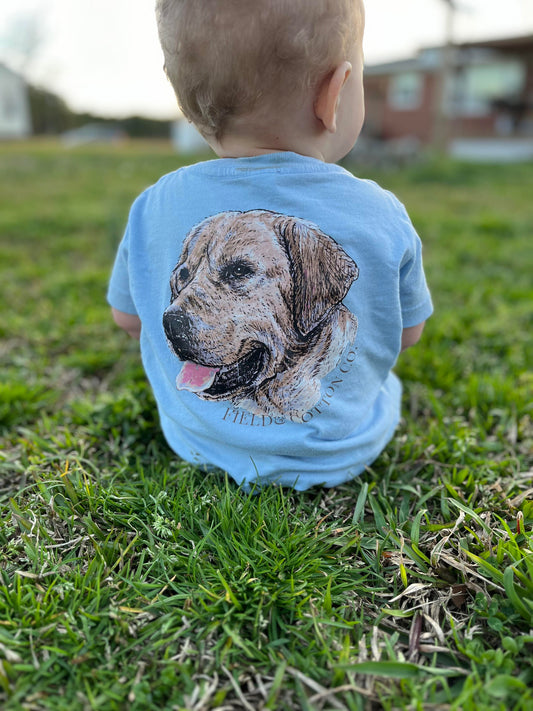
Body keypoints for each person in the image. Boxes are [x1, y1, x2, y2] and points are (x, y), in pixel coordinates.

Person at [108, 0, 433, 491]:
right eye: (185, 277)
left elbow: (128, 321)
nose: (177, 309)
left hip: (196, 445)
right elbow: (407, 335)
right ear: (336, 93)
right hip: (341, 459)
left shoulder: (153, 204)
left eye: (238, 272)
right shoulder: (383, 212)